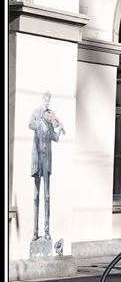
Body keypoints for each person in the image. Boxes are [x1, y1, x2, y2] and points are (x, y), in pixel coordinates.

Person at [28, 92, 64, 241]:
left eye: (49, 100)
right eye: (46, 100)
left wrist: (60, 129)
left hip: (46, 161)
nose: (48, 103)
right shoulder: (37, 112)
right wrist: (41, 122)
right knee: (36, 195)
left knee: (47, 196)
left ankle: (46, 230)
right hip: (37, 160)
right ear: (43, 100)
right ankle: (35, 232)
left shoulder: (50, 120)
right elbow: (30, 124)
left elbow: (54, 138)